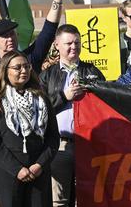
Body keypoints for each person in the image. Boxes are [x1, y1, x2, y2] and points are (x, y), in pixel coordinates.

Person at [0, 51, 59, 207]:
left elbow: (52, 137)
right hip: (8, 173)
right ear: (5, 70)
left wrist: (39, 165)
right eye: (17, 67)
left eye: (26, 66)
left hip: (38, 172)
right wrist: (17, 169)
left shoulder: (41, 98)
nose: (24, 71)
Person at [38, 24, 104, 207]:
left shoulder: (92, 72)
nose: (74, 47)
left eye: (77, 42)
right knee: (59, 200)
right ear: (57, 45)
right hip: (60, 145)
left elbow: (106, 105)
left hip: (89, 145)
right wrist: (63, 97)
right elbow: (39, 110)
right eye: (68, 43)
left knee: (90, 197)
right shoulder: (46, 75)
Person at [0, 0, 67, 100]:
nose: (9, 39)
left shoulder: (30, 57)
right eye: (4, 36)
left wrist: (57, 0)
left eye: (12, 34)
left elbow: (48, 31)